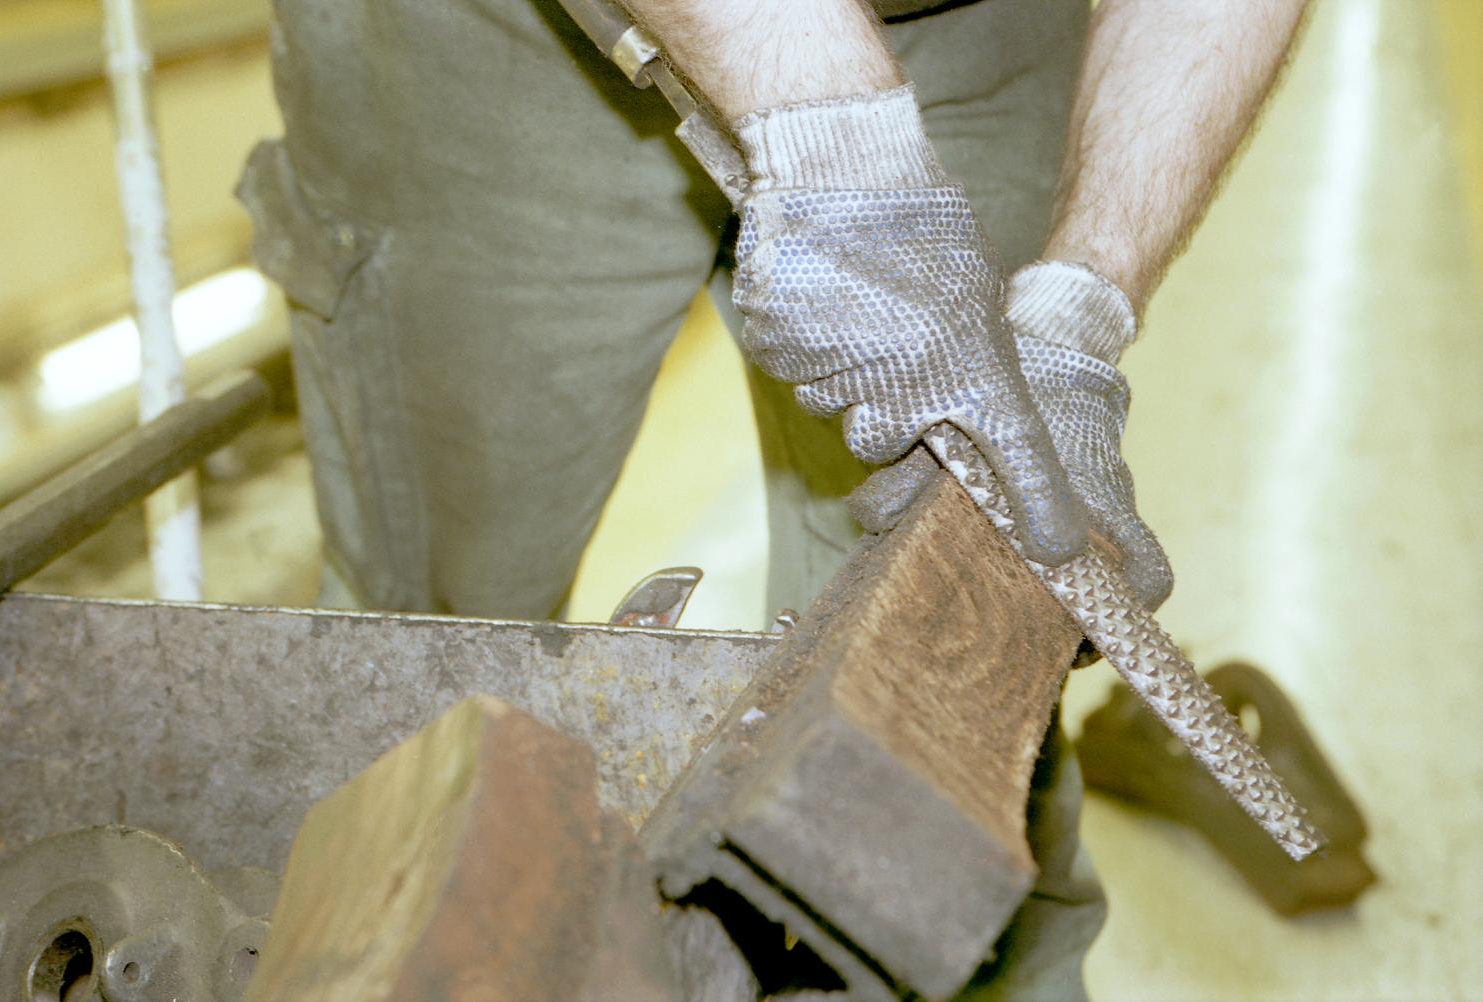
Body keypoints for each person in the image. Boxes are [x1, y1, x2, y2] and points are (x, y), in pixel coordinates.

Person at [237, 0, 1307, 995]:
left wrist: (1084, 300)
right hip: (489, 44)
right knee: (427, 652)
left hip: (973, 27)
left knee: (961, 643)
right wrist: (839, 142)